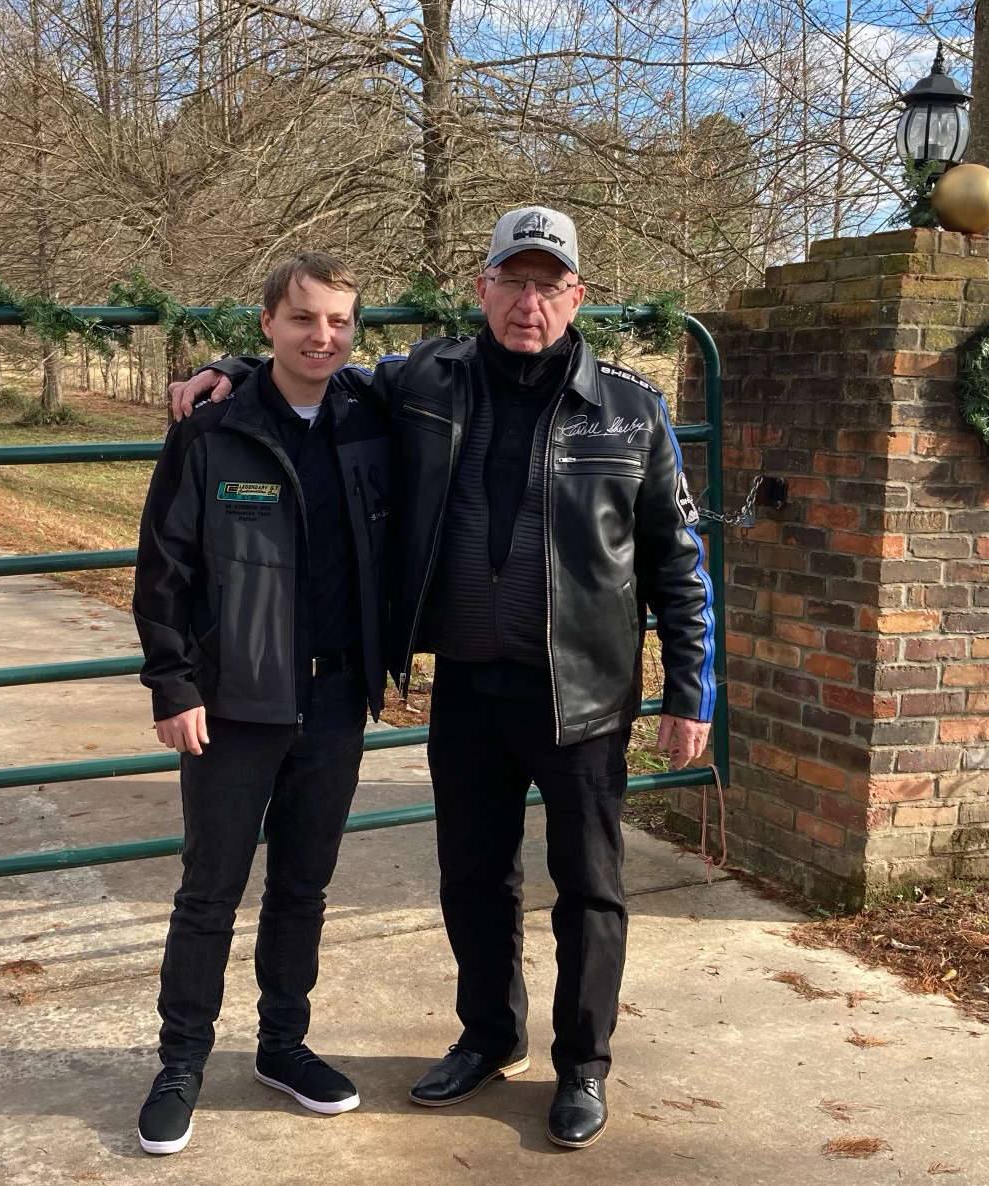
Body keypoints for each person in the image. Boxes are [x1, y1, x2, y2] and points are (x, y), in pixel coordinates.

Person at [171, 207, 716, 1149]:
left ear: (577, 297)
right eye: (514, 280)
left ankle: (582, 1064)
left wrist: (690, 687)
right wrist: (240, 368)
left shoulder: (629, 411)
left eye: (550, 284)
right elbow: (318, 365)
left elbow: (678, 557)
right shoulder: (427, 380)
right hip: (468, 684)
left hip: (579, 693)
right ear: (484, 288)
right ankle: (488, 1035)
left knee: (589, 887)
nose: (529, 302)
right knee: (474, 877)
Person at [131, 252, 390, 1155]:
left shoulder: (371, 419)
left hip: (334, 700)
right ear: (267, 325)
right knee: (210, 892)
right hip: (233, 705)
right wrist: (173, 682)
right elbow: (164, 568)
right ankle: (181, 1063)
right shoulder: (212, 431)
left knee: (303, 888)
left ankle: (283, 1047)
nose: (322, 337)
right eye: (303, 319)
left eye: (340, 322)